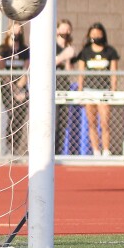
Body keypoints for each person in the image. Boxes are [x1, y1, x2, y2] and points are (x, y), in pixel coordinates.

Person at [76, 22, 120, 157]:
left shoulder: (110, 51)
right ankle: (95, 150)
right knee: (92, 122)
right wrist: (80, 91)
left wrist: (113, 89)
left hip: (104, 91)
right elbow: (81, 73)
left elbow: (113, 72)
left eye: (98, 34)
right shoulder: (85, 52)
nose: (96, 36)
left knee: (105, 122)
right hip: (89, 90)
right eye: (93, 34)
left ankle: (106, 150)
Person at [0, 23, 30, 155]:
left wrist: (20, 87)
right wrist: (13, 89)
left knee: (20, 117)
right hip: (8, 88)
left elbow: (26, 69)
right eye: (13, 29)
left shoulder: (24, 49)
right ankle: (9, 147)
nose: (16, 33)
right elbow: (2, 69)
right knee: (12, 115)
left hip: (21, 87)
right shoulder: (3, 49)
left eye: (19, 30)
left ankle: (15, 149)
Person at [54, 19, 76, 154]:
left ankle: (58, 150)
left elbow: (70, 70)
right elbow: (50, 63)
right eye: (63, 29)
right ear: (57, 30)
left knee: (62, 121)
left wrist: (68, 58)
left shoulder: (69, 48)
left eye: (68, 29)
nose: (65, 32)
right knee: (53, 120)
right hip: (52, 85)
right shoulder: (51, 45)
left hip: (64, 86)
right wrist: (63, 56)